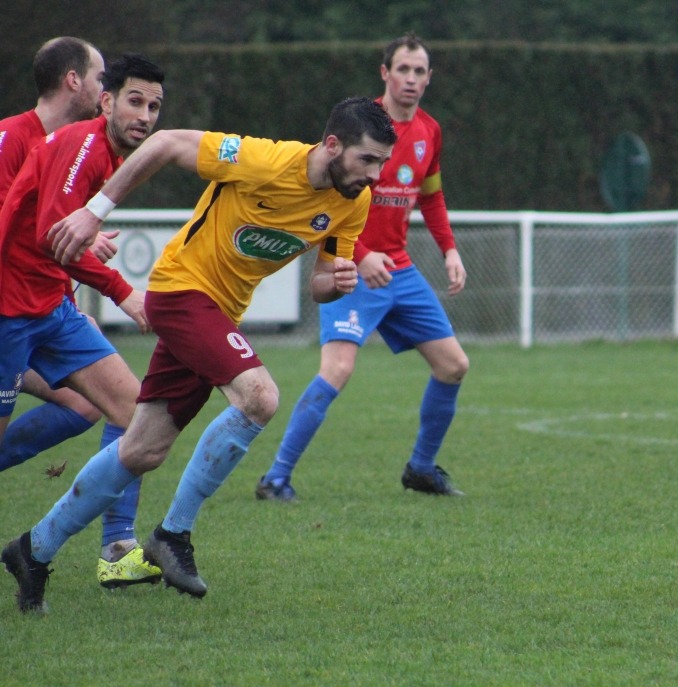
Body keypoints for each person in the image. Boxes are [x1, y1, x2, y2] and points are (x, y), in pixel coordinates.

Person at [1, 97, 397, 612]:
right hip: (181, 292)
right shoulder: (262, 159)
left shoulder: (353, 201)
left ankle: (33, 550)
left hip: (218, 315)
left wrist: (337, 282)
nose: (375, 175)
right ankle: (173, 535)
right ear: (333, 145)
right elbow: (166, 143)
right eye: (368, 160)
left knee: (142, 450)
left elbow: (321, 283)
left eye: (383, 163)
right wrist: (94, 211)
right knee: (259, 397)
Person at [256, 33, 469, 503]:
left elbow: (431, 197)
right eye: (403, 69)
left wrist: (450, 250)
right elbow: (326, 196)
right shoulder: (358, 126)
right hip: (351, 265)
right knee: (336, 370)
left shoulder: (430, 132)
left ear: (429, 78)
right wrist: (361, 253)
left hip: (400, 271)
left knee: (454, 365)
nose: (411, 79)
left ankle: (420, 469)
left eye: (419, 71)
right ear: (385, 73)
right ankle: (275, 478)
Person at [0, 52, 168, 593]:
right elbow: (54, 234)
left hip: (50, 308)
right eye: (135, 102)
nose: (144, 116)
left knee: (133, 412)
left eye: (154, 107)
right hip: (7, 311)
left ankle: (117, 548)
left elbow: (57, 229)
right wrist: (124, 293)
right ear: (106, 101)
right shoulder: (85, 146)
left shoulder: (111, 155)